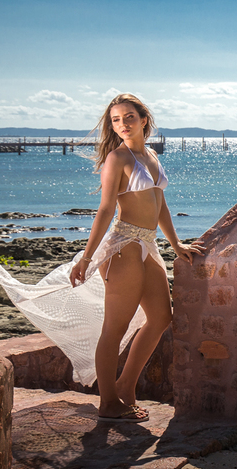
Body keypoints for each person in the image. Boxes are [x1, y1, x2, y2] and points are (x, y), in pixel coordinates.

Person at [67, 93, 202, 422]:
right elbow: (105, 209)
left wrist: (176, 244)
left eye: (129, 117)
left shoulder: (151, 155)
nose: (122, 124)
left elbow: (160, 204)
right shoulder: (117, 158)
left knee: (161, 318)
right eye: (116, 120)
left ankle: (126, 386)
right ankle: (108, 402)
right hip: (123, 246)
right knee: (115, 328)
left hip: (148, 244)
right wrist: (86, 258)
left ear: (144, 120)